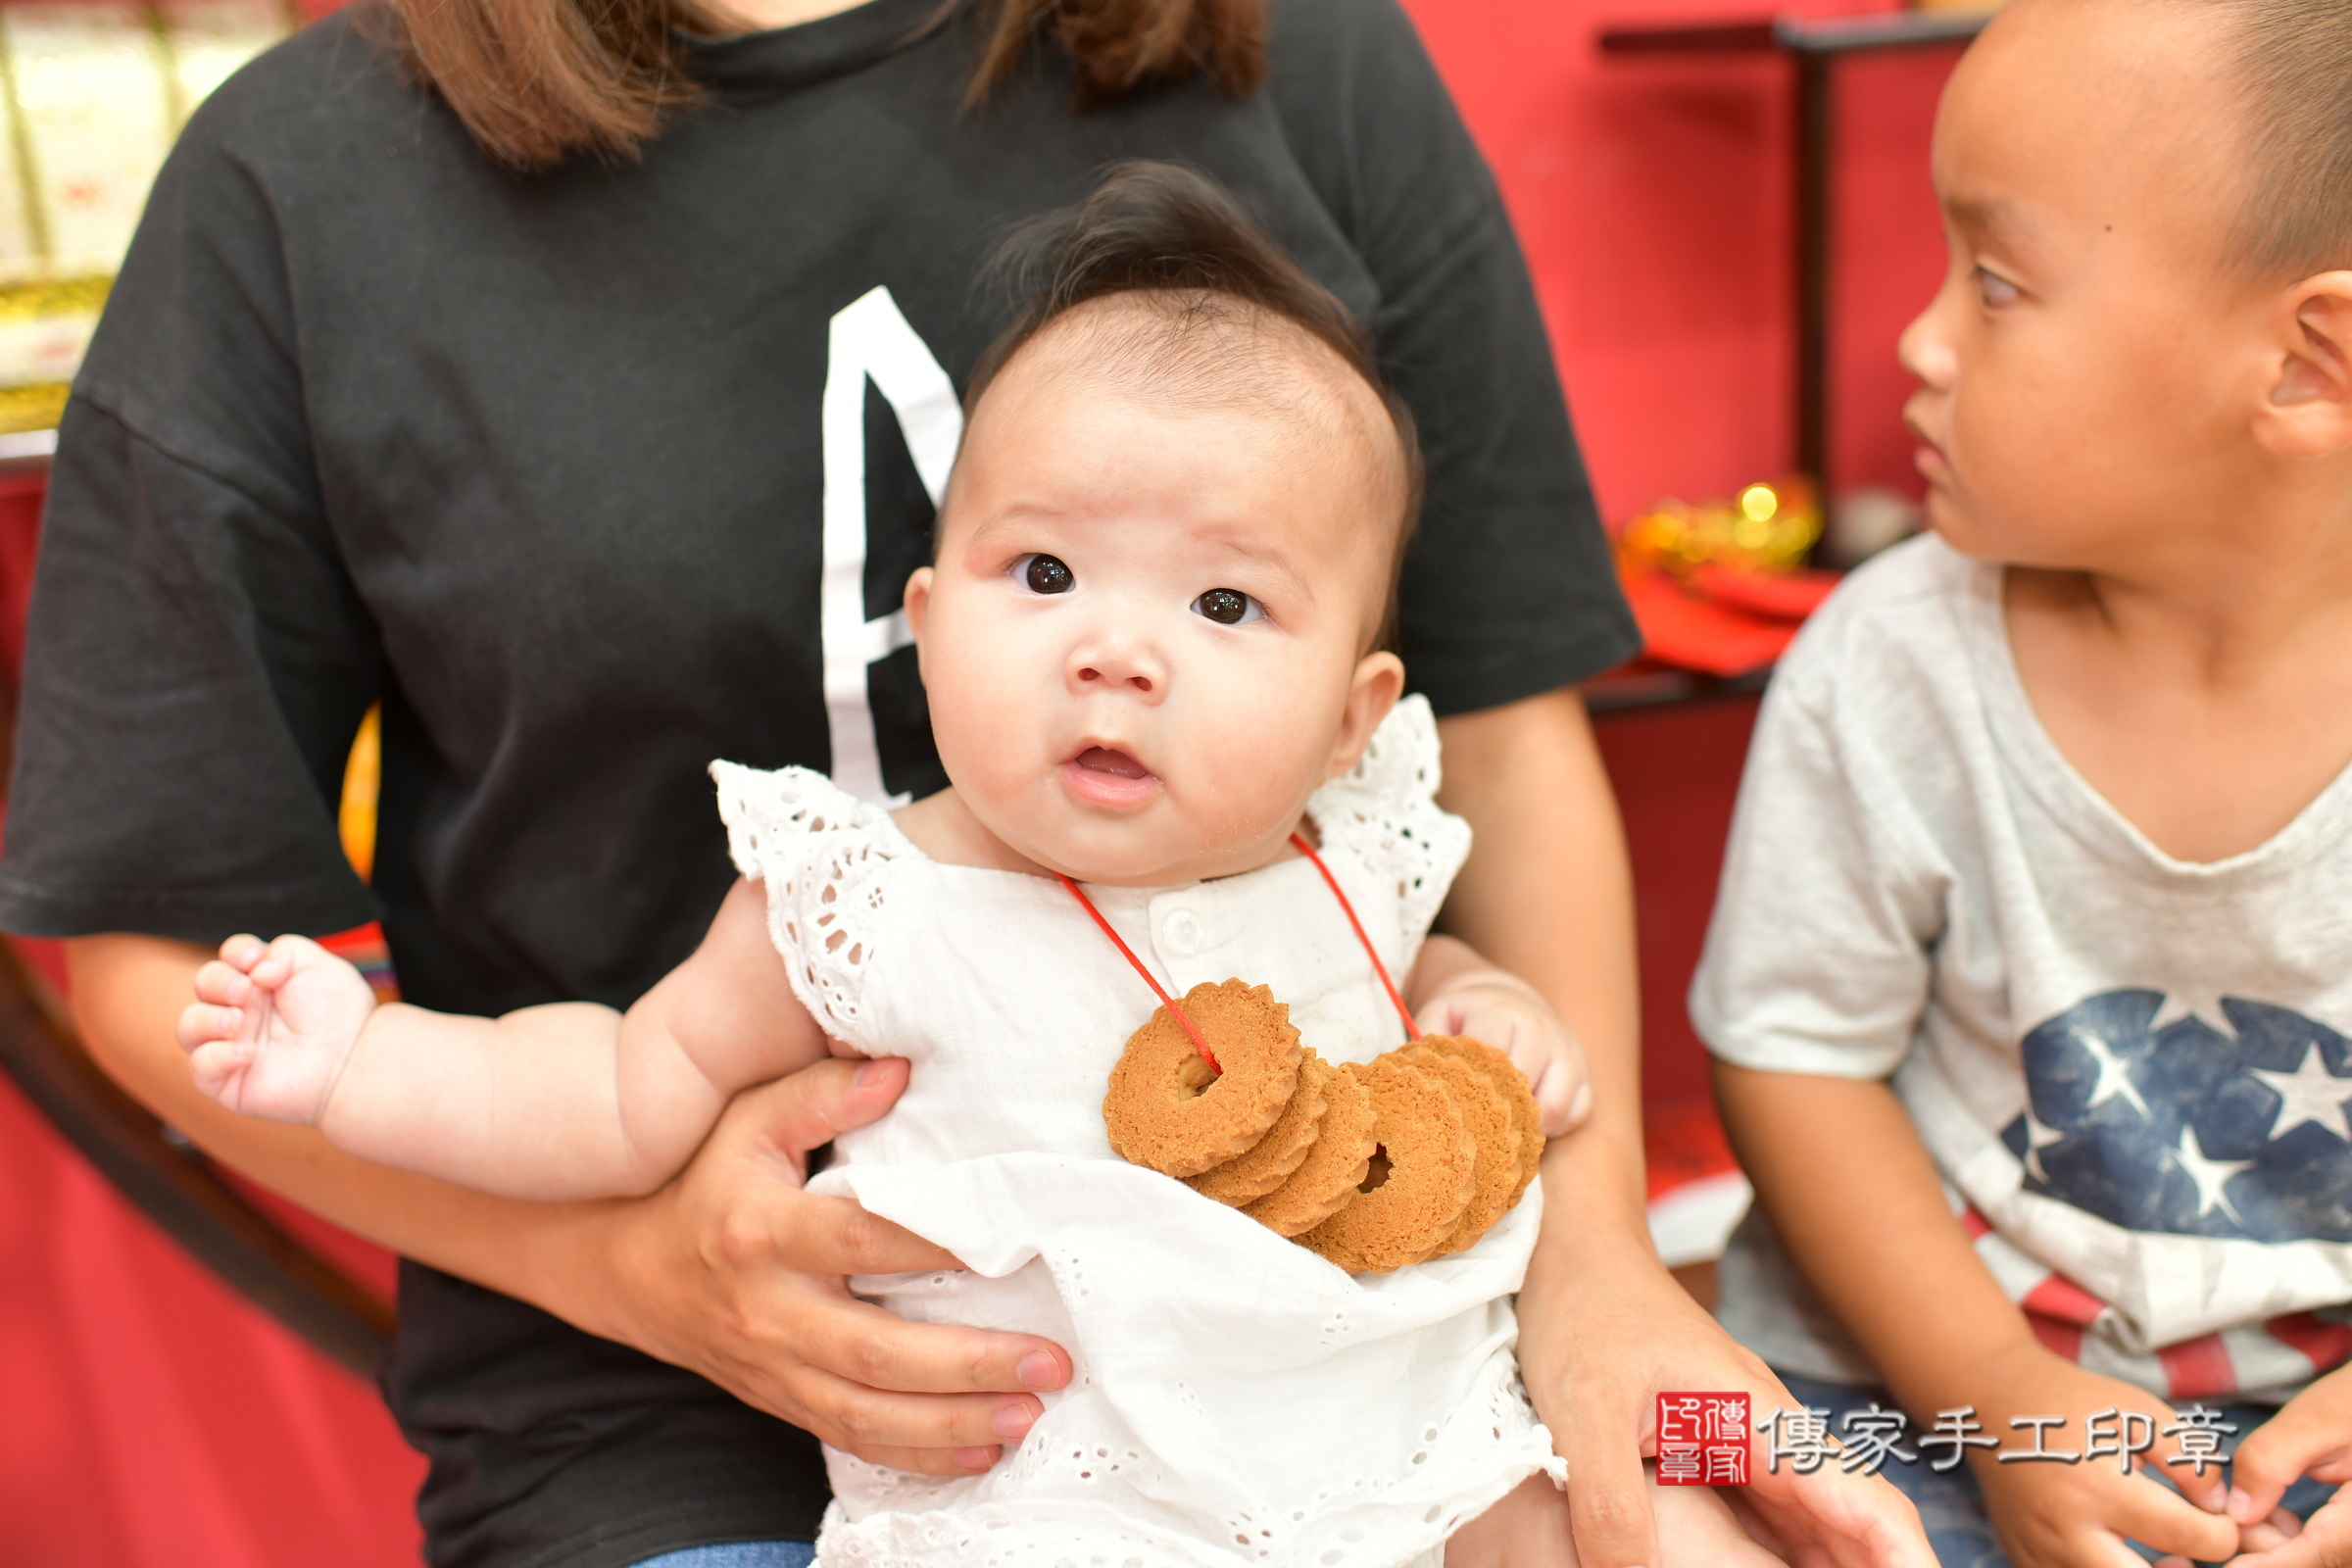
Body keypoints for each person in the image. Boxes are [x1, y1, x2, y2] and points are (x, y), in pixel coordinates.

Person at [0, 0, 1936, 1562]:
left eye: (1223, 602)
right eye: (1038, 576)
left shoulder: (1297, 45)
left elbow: (1505, 757)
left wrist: (1591, 1270)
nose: (1115, 652)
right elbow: (171, 967)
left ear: (1359, 711)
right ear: (933, 604)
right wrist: (639, 1264)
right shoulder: (301, 180)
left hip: (1390, 1365)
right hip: (722, 1435)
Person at [1694, 1, 2352, 1564]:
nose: (1920, 340)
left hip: (2301, 1425)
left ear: (2309, 360)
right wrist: (1999, 1399)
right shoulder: (1890, 660)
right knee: (1642, 1485)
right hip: (1902, 1379)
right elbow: (1794, 1058)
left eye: (1994, 283)